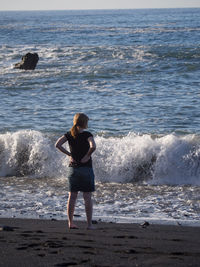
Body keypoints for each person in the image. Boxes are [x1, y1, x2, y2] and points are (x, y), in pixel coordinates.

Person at [55, 113, 96, 230]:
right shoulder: (88, 134)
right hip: (86, 168)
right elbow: (93, 146)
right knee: (87, 197)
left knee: (72, 196)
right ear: (84, 123)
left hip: (73, 169)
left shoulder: (69, 134)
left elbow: (57, 144)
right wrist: (87, 156)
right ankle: (89, 225)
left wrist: (69, 155)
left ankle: (70, 223)